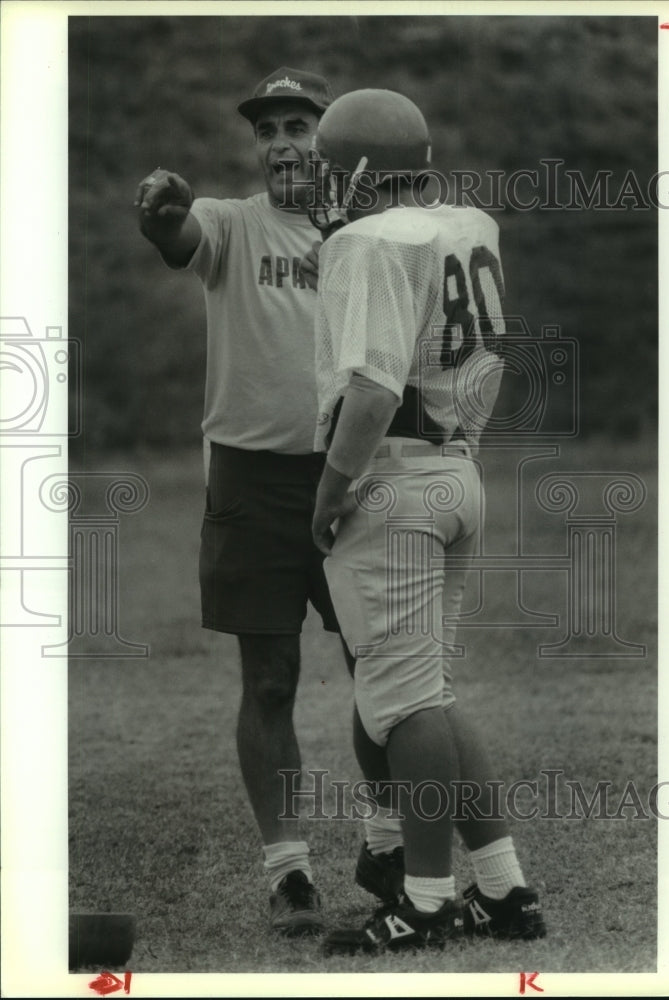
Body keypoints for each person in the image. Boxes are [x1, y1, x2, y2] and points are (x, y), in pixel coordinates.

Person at [310, 88, 548, 953]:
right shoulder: (470, 223)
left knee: (407, 705)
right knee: (431, 698)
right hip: (455, 467)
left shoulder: (365, 242)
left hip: (394, 476)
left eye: (333, 170)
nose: (323, 187)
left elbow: (372, 388)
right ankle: (505, 888)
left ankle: (426, 902)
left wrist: (331, 491)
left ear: (362, 173)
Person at [134, 67, 357, 937]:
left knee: (379, 671)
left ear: (330, 139)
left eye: (298, 125)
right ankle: (290, 872)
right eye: (268, 130)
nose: (281, 143)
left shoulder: (364, 235)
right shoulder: (231, 223)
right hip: (252, 478)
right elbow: (175, 230)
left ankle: (387, 846)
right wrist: (161, 209)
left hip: (351, 473)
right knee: (270, 679)